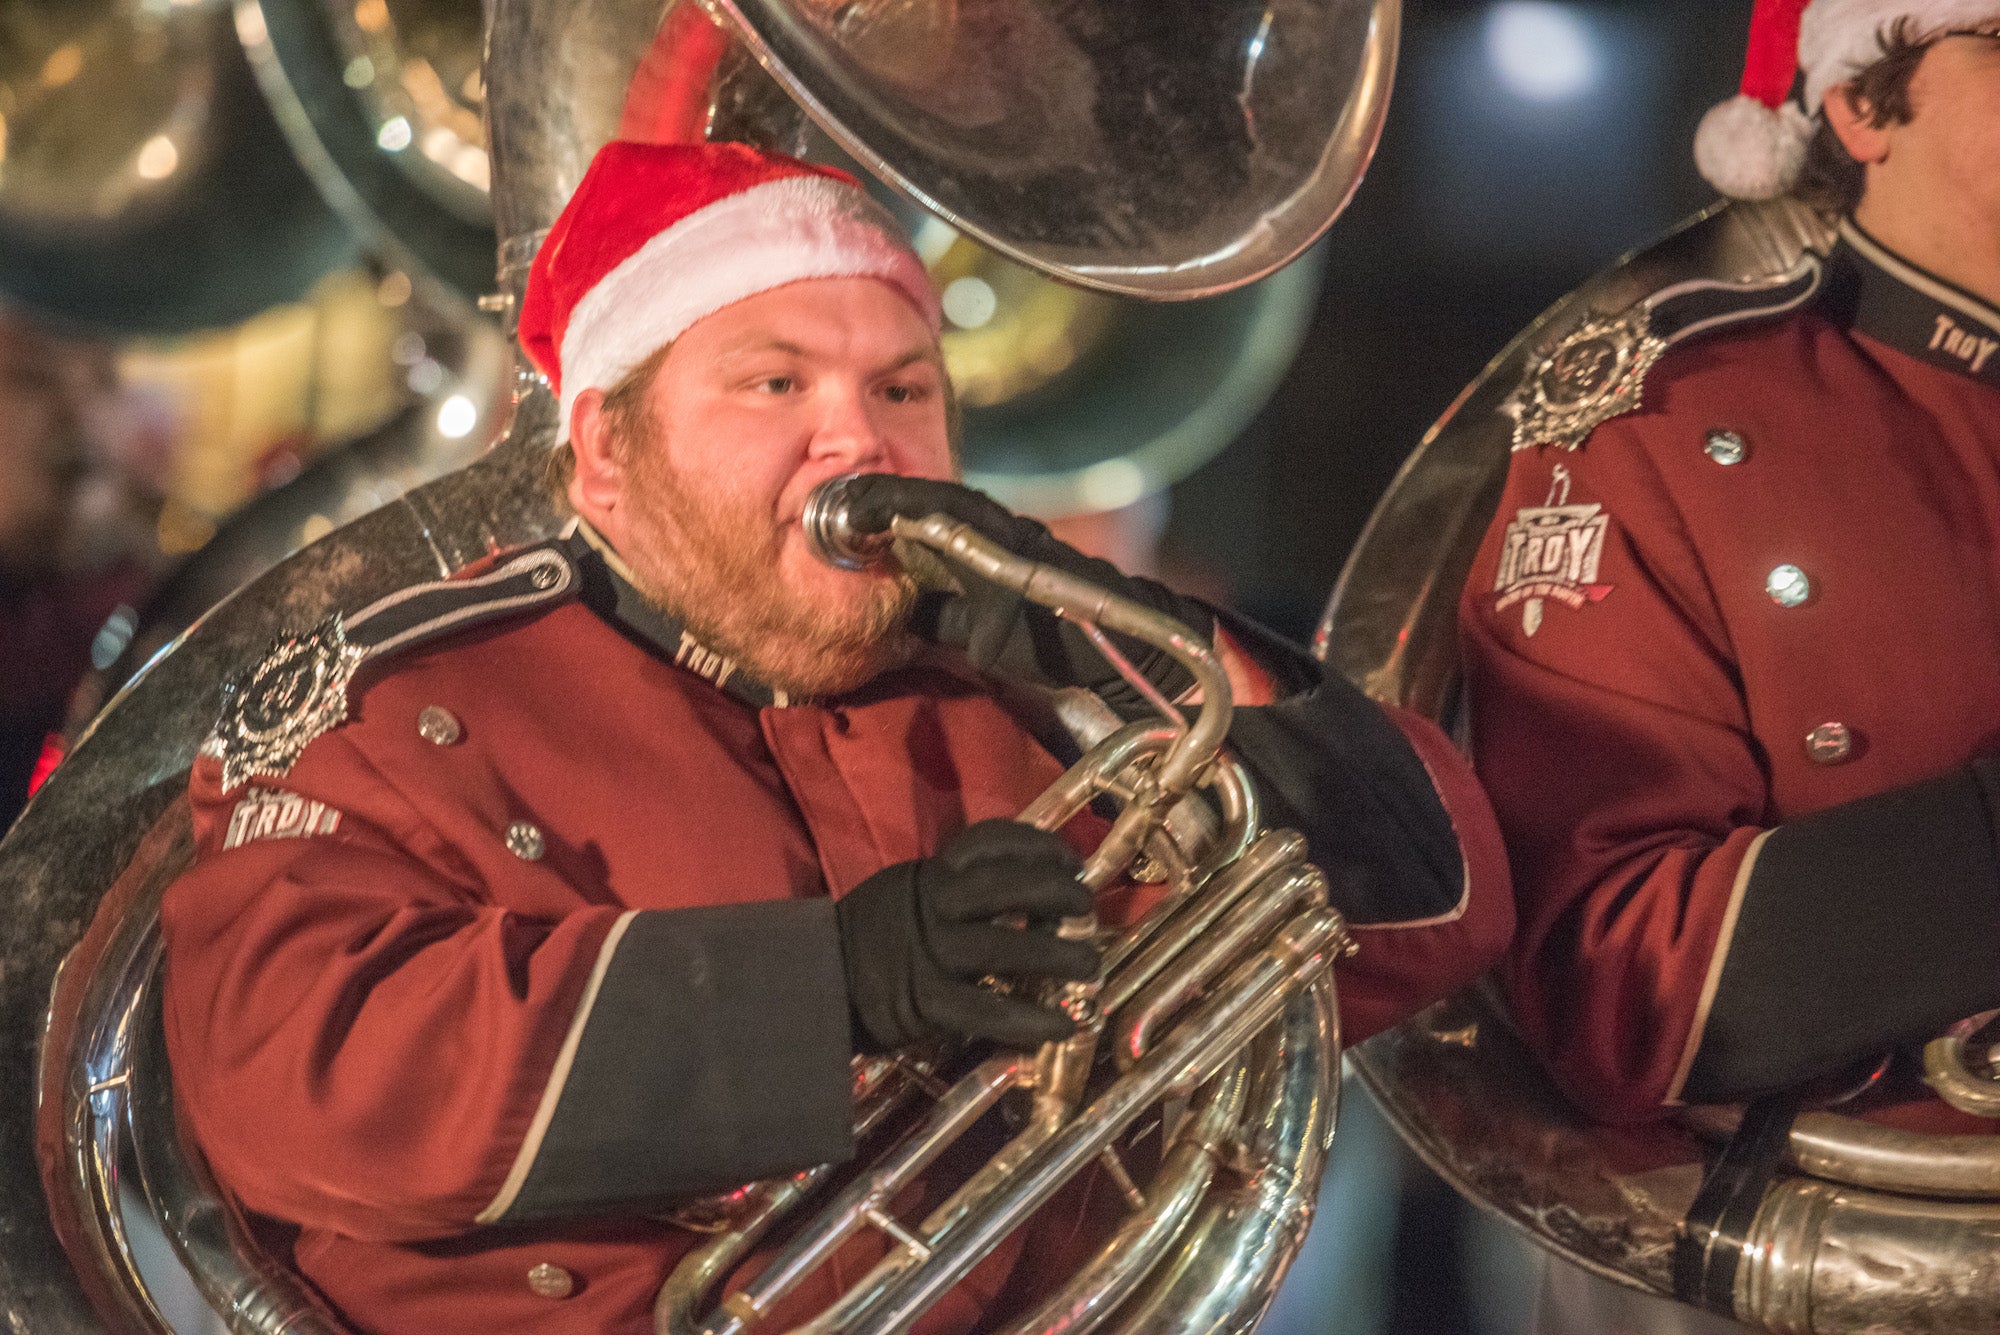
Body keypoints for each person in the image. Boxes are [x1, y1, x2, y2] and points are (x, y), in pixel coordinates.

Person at [159, 140, 1513, 1335]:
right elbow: (298, 1075)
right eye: (774, 384)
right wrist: (831, 986)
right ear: (604, 456)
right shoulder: (401, 697)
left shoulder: (1023, 716)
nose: (856, 441)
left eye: (906, 393)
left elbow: (1418, 922)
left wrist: (1107, 633)